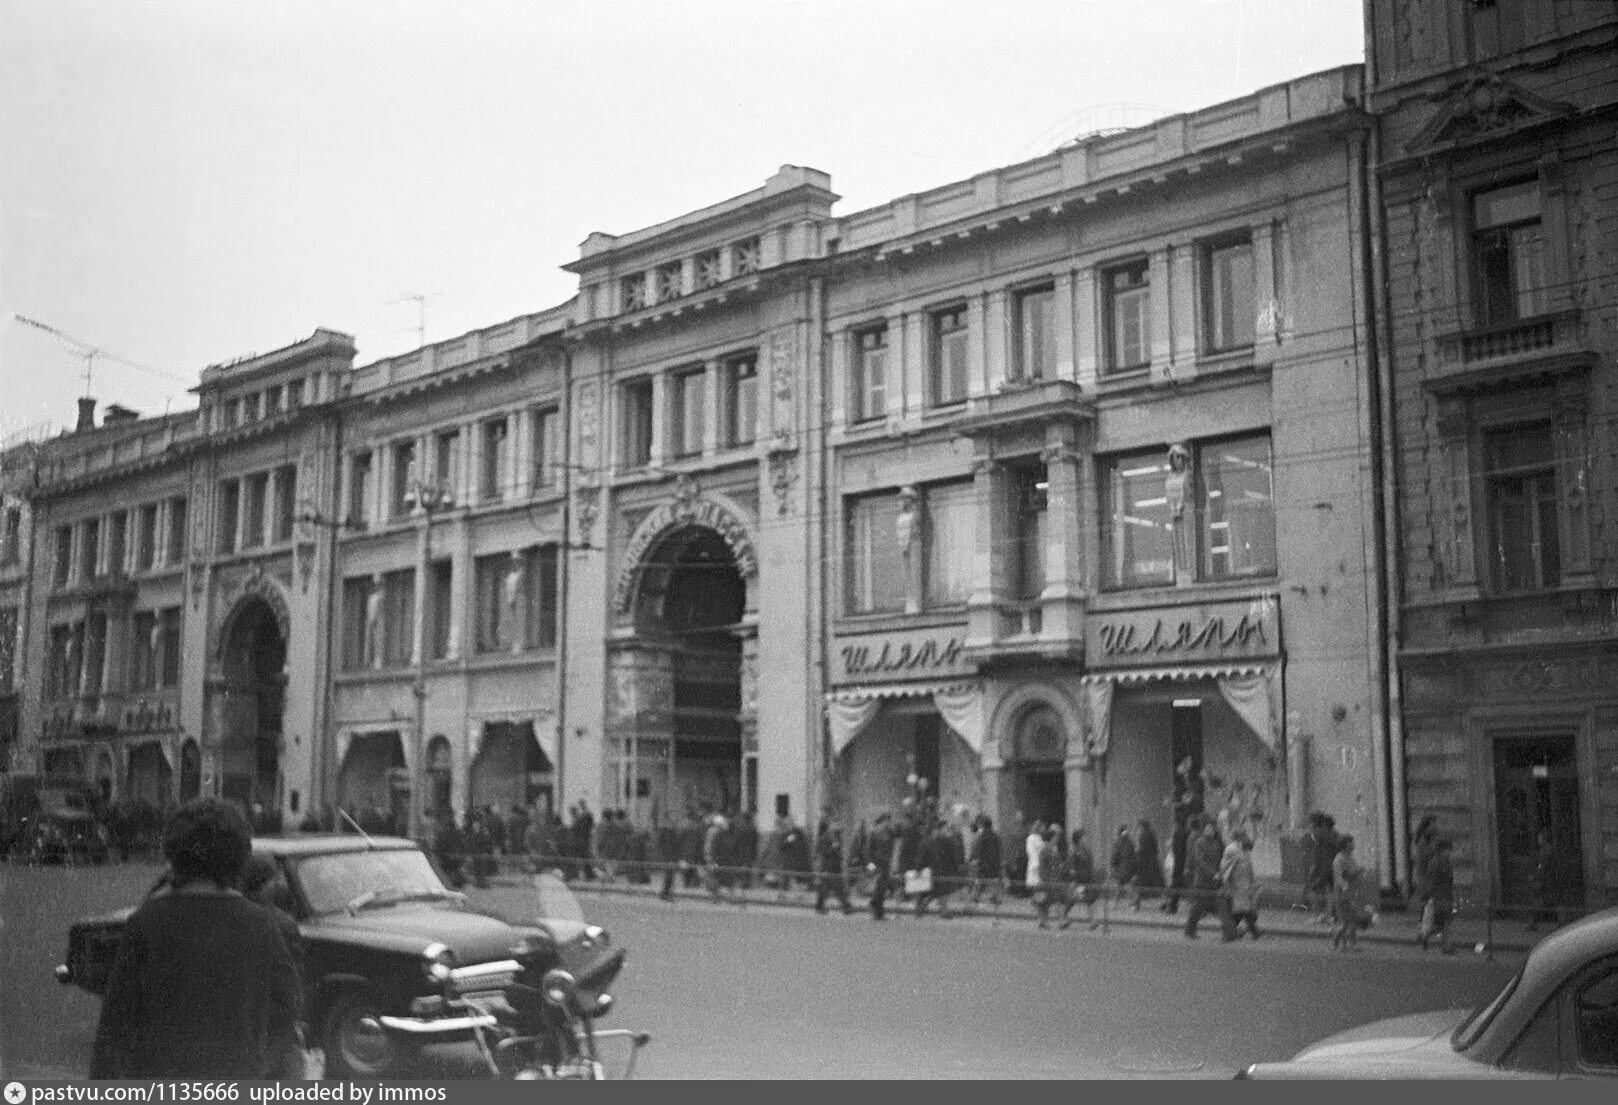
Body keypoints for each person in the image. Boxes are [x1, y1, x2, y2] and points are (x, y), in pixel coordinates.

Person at [90, 799, 300, 1079]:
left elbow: (115, 1025)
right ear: (239, 857)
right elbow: (287, 1008)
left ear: (175, 854)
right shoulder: (261, 925)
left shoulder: (148, 921)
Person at [1183, 819, 1225, 940]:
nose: (1211, 830)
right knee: (1198, 907)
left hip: (1214, 880)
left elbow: (1218, 859)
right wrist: (1213, 873)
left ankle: (1229, 929)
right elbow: (1200, 861)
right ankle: (1189, 930)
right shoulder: (1200, 843)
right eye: (1208, 828)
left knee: (1218, 905)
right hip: (1202, 880)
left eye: (1212, 828)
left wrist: (1219, 872)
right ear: (1204, 830)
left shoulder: (1216, 843)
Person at [913, 820, 964, 919]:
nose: (947, 830)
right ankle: (941, 911)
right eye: (945, 828)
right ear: (938, 829)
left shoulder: (931, 841)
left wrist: (919, 868)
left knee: (936, 891)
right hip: (938, 870)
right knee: (937, 891)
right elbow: (954, 856)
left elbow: (921, 857)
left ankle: (928, 908)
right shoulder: (943, 840)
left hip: (937, 870)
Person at [1220, 831, 1261, 941]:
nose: (1248, 851)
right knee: (1242, 910)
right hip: (1235, 885)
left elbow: (1249, 866)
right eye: (1247, 849)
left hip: (1244, 885)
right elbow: (1225, 867)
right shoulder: (1231, 849)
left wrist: (1253, 881)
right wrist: (1227, 882)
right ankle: (1252, 931)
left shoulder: (1244, 850)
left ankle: (1232, 932)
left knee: (1241, 910)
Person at [1058, 827, 1099, 930]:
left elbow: (1090, 865)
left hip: (1087, 880)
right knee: (1072, 900)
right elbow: (1070, 866)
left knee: (1089, 900)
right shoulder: (1074, 852)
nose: (1086, 838)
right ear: (1079, 839)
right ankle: (1062, 919)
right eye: (1084, 837)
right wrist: (1072, 879)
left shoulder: (1087, 850)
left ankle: (1093, 921)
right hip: (1078, 880)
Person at [1419, 838, 1456, 954]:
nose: (1449, 853)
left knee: (1443, 924)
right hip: (1439, 897)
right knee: (1445, 923)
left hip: (1446, 896)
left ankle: (1426, 936)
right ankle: (1445, 947)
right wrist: (1430, 896)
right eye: (1448, 850)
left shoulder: (1445, 862)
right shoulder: (1436, 863)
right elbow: (1431, 881)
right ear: (1442, 850)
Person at [1331, 835, 1363, 951]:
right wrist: (1344, 886)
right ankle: (1350, 943)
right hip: (1342, 893)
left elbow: (1353, 871)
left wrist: (1358, 871)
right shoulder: (1339, 859)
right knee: (1352, 918)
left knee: (1348, 920)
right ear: (1345, 844)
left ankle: (1340, 940)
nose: (1353, 844)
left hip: (1350, 892)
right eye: (1350, 842)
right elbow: (1339, 876)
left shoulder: (1349, 858)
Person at [814, 820, 853, 915]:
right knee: (835, 888)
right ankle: (846, 906)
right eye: (837, 824)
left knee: (829, 888)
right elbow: (822, 852)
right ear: (831, 826)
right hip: (827, 867)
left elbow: (838, 851)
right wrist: (833, 848)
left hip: (836, 866)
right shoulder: (824, 838)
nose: (839, 827)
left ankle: (820, 906)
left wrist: (842, 858)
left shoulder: (837, 837)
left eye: (839, 825)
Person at [1526, 827, 1558, 932]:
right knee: (1549, 901)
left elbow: (1542, 866)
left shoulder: (1545, 850)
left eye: (1539, 837)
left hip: (1544, 881)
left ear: (1544, 838)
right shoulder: (1549, 849)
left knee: (1538, 902)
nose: (1538, 839)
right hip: (1548, 879)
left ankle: (1533, 924)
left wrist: (1535, 877)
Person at [969, 815, 1004, 905]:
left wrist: (978, 860)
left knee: (980, 880)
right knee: (994, 880)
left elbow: (980, 850)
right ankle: (995, 897)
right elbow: (999, 849)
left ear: (983, 825)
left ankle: (975, 896)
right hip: (995, 862)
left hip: (984, 862)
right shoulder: (996, 835)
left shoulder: (982, 836)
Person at [866, 813, 895, 921]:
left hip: (886, 862)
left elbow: (891, 847)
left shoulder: (890, 832)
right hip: (877, 863)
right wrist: (870, 863)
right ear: (882, 821)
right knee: (879, 886)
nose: (888, 823)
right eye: (887, 820)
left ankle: (879, 911)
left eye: (889, 821)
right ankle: (874, 906)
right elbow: (869, 849)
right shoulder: (874, 831)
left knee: (882, 888)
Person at [1026, 821, 1051, 928]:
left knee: (1040, 895)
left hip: (1036, 868)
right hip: (1037, 869)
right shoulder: (1034, 839)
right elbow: (1035, 853)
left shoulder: (1034, 839)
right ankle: (1041, 919)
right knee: (1041, 895)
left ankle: (1041, 919)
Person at [1135, 819, 1164, 907]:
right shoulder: (1152, 833)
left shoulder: (1143, 835)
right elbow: (1155, 847)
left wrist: (1137, 852)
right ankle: (1162, 896)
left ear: (1142, 827)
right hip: (1152, 860)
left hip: (1144, 861)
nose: (1138, 829)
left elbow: (1142, 848)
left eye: (1139, 827)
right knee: (1157, 879)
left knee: (1141, 880)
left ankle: (1138, 901)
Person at [1110, 824, 1138, 911]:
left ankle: (1115, 903)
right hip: (1129, 868)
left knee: (1119, 886)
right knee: (1128, 886)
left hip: (1121, 868)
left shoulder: (1118, 842)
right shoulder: (1130, 842)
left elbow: (1115, 855)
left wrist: (1113, 865)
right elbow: (1134, 856)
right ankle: (1133, 904)